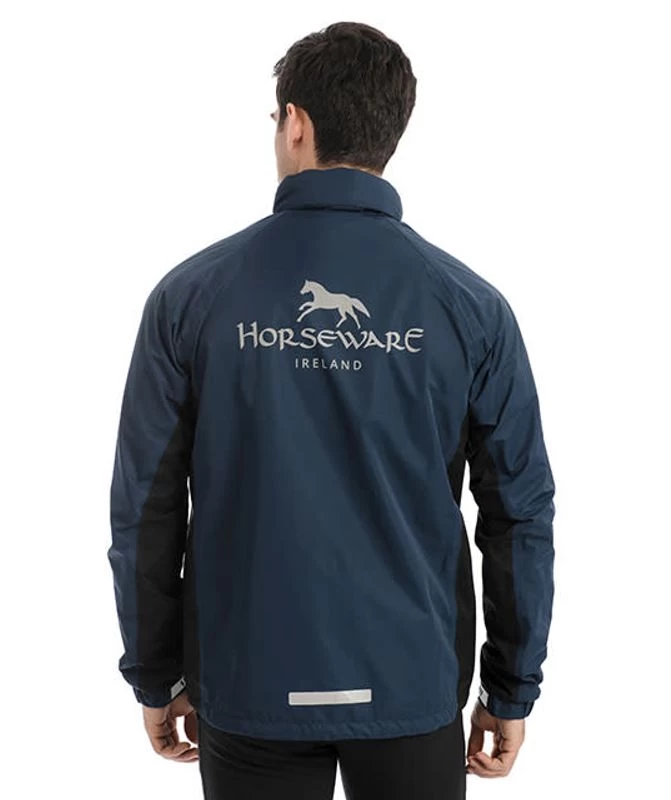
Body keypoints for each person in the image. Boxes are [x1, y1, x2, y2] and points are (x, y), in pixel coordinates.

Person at [107, 20, 555, 800]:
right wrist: (510, 686)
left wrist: (156, 673)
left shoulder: (191, 297)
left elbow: (146, 507)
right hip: (412, 685)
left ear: (296, 123)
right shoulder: (471, 309)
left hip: (249, 681)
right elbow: (520, 510)